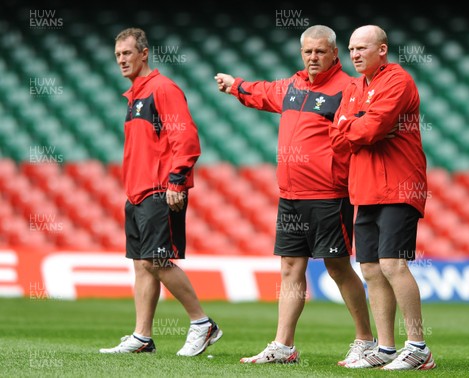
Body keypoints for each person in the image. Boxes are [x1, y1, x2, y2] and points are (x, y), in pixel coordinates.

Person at [214, 24, 375, 366]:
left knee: (336, 265)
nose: (313, 57)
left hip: (330, 194)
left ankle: (365, 340)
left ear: (335, 53)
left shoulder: (349, 88)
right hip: (290, 194)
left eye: (320, 51)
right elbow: (262, 91)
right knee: (289, 266)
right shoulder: (292, 85)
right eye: (308, 52)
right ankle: (283, 345)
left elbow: (366, 129)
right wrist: (235, 86)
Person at [99, 27, 222, 356]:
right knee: (142, 264)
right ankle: (142, 336)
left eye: (127, 53)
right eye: (117, 55)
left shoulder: (162, 89)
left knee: (156, 260)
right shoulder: (136, 96)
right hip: (137, 192)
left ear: (143, 53)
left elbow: (187, 140)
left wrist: (177, 180)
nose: (122, 60)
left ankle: (202, 323)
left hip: (159, 189)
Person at [330, 25, 436, 370]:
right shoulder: (354, 86)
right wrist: (357, 125)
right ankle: (387, 348)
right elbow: (337, 136)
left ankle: (418, 345)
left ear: (383, 49)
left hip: (399, 185)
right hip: (365, 188)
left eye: (362, 48)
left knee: (393, 264)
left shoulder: (397, 81)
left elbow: (371, 130)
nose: (355, 54)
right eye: (351, 49)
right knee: (372, 269)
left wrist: (357, 124)